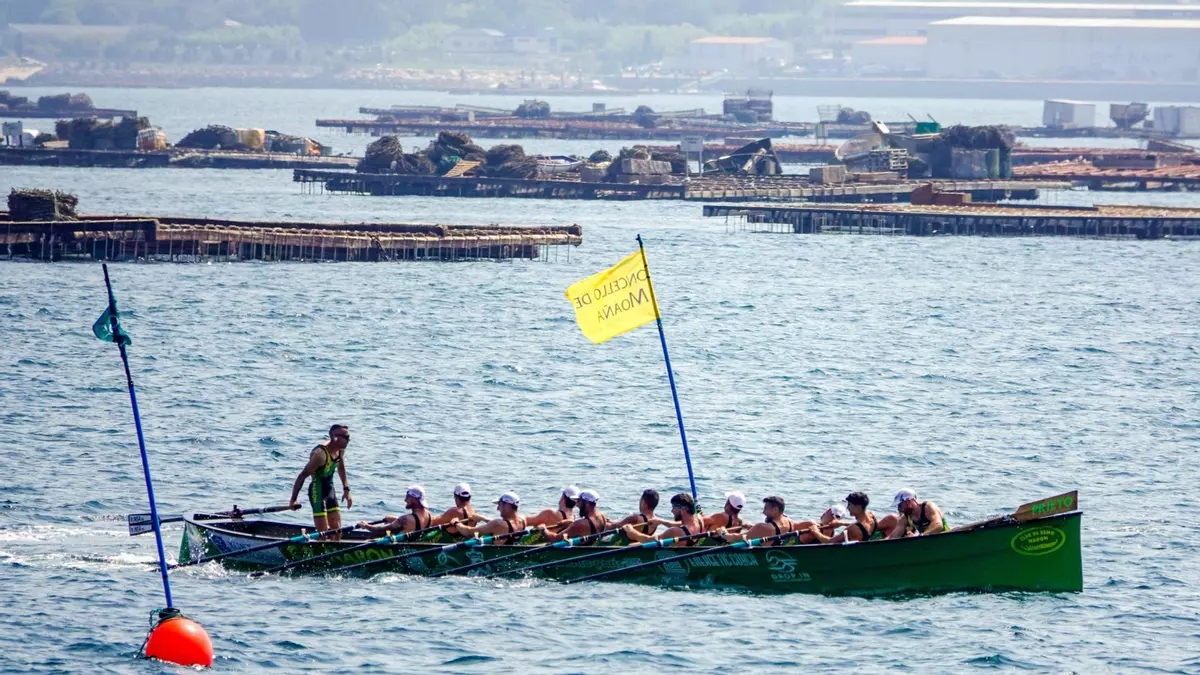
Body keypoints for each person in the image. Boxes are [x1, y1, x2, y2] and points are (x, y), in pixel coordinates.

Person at [288, 424, 352, 540]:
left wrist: (346, 489)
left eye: (349, 437)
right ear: (335, 437)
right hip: (317, 491)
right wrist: (293, 500)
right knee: (323, 534)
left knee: (337, 532)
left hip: (330, 489)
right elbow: (302, 476)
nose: (349, 440)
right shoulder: (320, 454)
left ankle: (334, 548)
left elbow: (341, 468)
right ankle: (319, 546)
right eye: (346, 437)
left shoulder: (340, 450)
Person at [623, 493, 705, 547]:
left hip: (672, 557)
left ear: (683, 509)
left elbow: (649, 540)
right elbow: (678, 524)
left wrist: (632, 532)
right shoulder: (699, 520)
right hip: (686, 549)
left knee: (631, 546)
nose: (672, 511)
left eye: (674, 507)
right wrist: (661, 521)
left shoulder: (675, 531)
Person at [717, 495, 793, 545]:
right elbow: (768, 531)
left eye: (765, 509)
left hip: (761, 558)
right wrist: (753, 527)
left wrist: (723, 532)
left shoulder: (762, 527)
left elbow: (733, 538)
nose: (763, 512)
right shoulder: (789, 522)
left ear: (775, 509)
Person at [452, 492, 527, 542]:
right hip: (509, 553)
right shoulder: (523, 520)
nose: (498, 508)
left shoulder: (497, 524)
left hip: (494, 557)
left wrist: (456, 523)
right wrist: (483, 518)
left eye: (499, 505)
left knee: (474, 537)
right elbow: (502, 524)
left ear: (507, 506)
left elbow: (469, 532)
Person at [806, 492, 878, 544]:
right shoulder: (872, 517)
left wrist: (815, 531)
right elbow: (861, 525)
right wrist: (842, 523)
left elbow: (829, 542)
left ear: (858, 507)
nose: (847, 508)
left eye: (850, 505)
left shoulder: (853, 529)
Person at [358, 485, 432, 536]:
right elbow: (413, 523)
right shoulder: (429, 516)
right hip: (415, 544)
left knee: (376, 536)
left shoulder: (406, 519)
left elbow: (381, 530)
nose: (405, 500)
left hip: (401, 547)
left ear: (414, 499)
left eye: (407, 497)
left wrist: (366, 526)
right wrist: (396, 520)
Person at [541, 489, 610, 541]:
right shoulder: (602, 516)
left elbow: (554, 539)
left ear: (586, 503)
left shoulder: (579, 524)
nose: (577, 504)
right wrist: (572, 523)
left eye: (579, 501)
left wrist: (543, 529)